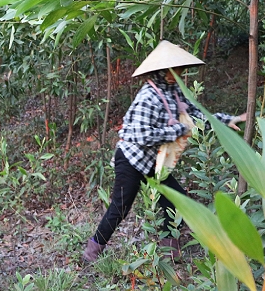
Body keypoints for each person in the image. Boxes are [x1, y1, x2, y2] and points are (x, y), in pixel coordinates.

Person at [82, 41, 247, 263]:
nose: (174, 74)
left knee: (174, 198)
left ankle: (171, 251)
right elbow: (140, 136)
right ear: (159, 71)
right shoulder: (147, 96)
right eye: (170, 70)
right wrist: (178, 130)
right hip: (131, 159)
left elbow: (196, 117)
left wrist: (228, 120)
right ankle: (92, 252)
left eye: (178, 70)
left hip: (154, 161)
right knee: (120, 208)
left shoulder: (176, 92)